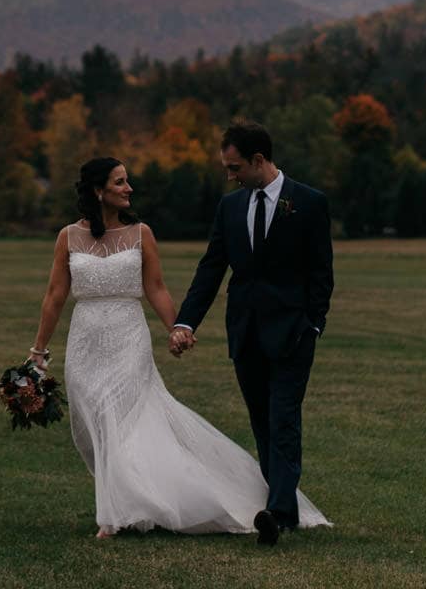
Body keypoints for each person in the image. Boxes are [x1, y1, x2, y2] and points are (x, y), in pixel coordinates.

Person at [30, 156, 326, 540]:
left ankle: (113, 515)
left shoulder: (141, 234)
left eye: (127, 180)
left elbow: (156, 288)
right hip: (85, 340)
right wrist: (38, 350)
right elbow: (55, 295)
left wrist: (179, 328)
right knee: (95, 423)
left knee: (119, 418)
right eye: (119, 182)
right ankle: (127, 501)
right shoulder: (68, 237)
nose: (129, 187)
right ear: (98, 190)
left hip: (127, 338)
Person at [171, 121, 336, 546]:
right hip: (244, 332)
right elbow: (211, 269)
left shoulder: (310, 203)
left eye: (235, 166)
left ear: (259, 161)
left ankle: (278, 514)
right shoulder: (229, 208)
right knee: (262, 421)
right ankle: (285, 505)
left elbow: (322, 272)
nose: (230, 175)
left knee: (284, 419)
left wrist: (313, 324)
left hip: (293, 333)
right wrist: (187, 321)